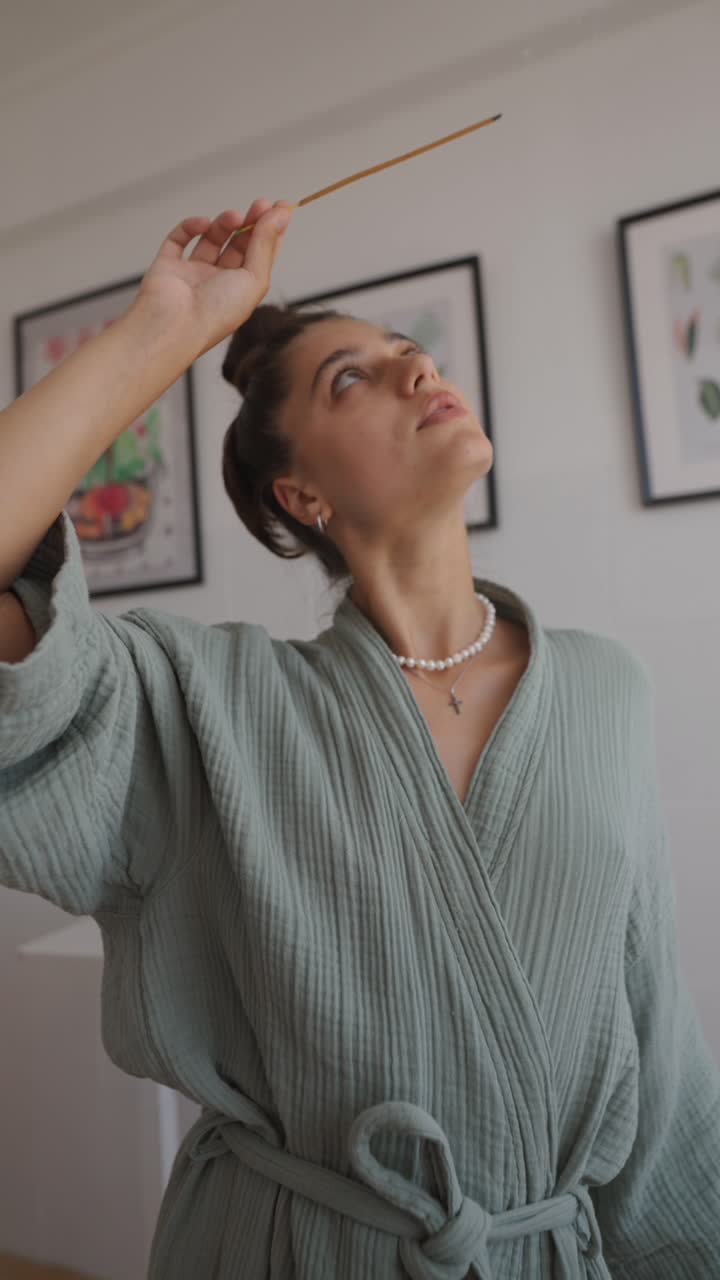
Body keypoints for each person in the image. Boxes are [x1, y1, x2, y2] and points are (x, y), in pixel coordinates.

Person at [0, 197, 718, 1280]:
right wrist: (163, 327)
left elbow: (663, 1077)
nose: (415, 373)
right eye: (352, 378)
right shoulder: (202, 701)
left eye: (409, 354)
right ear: (300, 494)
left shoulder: (606, 691)